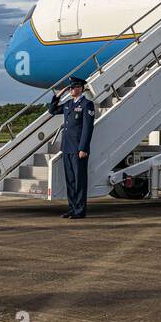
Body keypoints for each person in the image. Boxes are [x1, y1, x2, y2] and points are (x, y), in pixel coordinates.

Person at [49, 76, 94, 219]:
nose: (70, 90)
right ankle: (72, 208)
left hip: (78, 149)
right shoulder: (68, 104)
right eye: (69, 88)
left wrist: (83, 148)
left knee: (79, 180)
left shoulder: (87, 105)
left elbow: (87, 128)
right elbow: (53, 110)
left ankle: (80, 210)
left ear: (80, 88)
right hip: (67, 147)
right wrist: (58, 96)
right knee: (70, 180)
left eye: (72, 88)